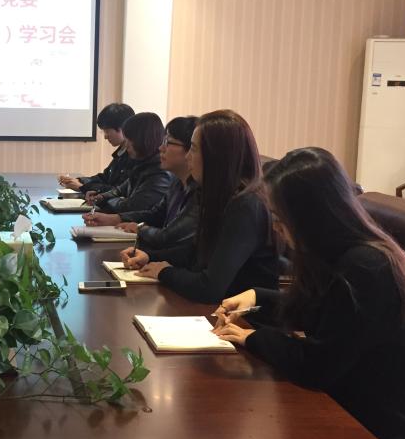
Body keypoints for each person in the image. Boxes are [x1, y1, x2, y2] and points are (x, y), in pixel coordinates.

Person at [212, 147, 405, 439]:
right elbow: (317, 310)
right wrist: (256, 298)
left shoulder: (368, 269)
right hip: (348, 416)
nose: (276, 228)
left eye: (280, 218)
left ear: (311, 217)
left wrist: (253, 338)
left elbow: (316, 365)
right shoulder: (337, 255)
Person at [121, 109, 278, 302]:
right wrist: (149, 257)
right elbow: (195, 251)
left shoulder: (245, 205)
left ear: (216, 156)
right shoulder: (216, 194)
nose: (188, 156)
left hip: (242, 315)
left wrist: (164, 272)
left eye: (193, 149)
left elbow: (209, 288)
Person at [83, 116, 199, 251]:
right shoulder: (177, 182)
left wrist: (140, 229)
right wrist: (116, 218)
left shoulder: (197, 190)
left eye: (168, 142)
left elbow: (170, 237)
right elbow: (155, 214)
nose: (161, 148)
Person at [85, 112, 172, 214]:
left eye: (129, 140)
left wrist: (106, 200)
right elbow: (120, 189)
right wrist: (102, 196)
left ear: (142, 140)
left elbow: (132, 207)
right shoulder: (141, 164)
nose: (126, 145)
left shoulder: (160, 172)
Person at [59, 102, 135, 194]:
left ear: (122, 128)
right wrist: (80, 180)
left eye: (107, 131)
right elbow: (105, 178)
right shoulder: (121, 152)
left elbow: (119, 191)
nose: (105, 137)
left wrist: (82, 187)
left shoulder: (135, 156)